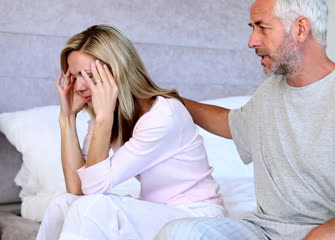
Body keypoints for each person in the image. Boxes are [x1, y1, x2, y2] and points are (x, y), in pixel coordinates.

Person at [156, 0, 335, 240]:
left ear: (300, 29)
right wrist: (171, 100)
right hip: (266, 230)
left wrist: (326, 235)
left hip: (331, 232)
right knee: (178, 232)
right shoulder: (269, 92)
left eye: (262, 28)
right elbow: (231, 123)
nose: (251, 41)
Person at [36, 25, 225, 240]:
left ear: (118, 71)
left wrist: (103, 118)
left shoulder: (163, 115)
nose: (79, 87)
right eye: (75, 76)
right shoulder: (110, 114)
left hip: (196, 217)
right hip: (158, 212)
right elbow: (77, 188)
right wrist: (67, 118)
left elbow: (94, 189)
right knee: (62, 203)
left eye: (88, 76)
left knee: (94, 206)